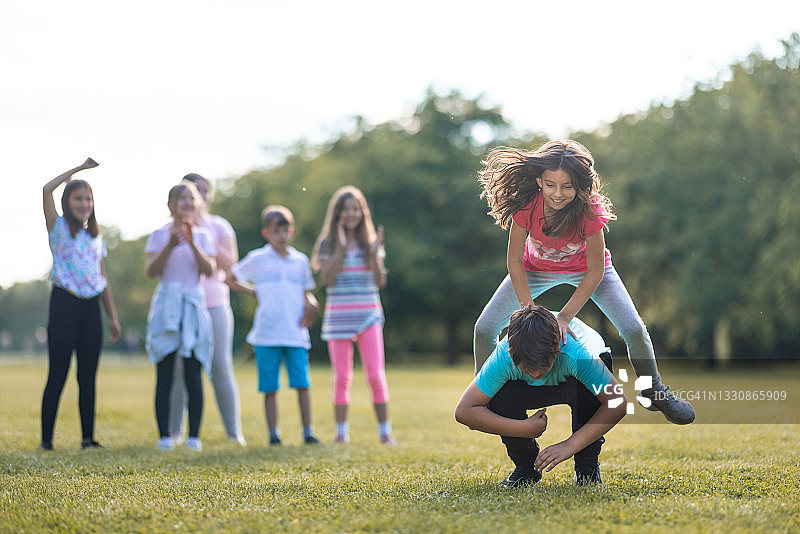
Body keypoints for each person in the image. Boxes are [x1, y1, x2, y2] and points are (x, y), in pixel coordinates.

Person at [474, 140, 694, 425]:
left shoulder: (590, 211)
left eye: (567, 186)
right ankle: (485, 395)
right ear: (540, 180)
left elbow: (595, 271)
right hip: (535, 269)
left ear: (580, 186)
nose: (558, 193)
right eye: (551, 184)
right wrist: (529, 310)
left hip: (588, 270)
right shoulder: (527, 206)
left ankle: (654, 391)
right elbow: (514, 261)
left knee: (634, 328)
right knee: (484, 328)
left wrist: (564, 317)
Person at [456, 305, 627, 487]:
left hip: (576, 378)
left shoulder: (578, 354)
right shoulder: (504, 355)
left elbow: (618, 403)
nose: (536, 375)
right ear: (512, 353)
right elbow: (464, 411)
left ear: (557, 351)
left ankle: (587, 469)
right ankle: (527, 468)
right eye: (527, 369)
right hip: (528, 387)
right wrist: (522, 428)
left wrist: (570, 445)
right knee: (499, 393)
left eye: (543, 368)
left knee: (589, 391)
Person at [40, 158, 121, 451]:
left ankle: (88, 438)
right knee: (58, 373)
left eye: (88, 198)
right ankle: (46, 439)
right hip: (63, 304)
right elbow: (47, 189)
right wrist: (78, 170)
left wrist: (112, 317)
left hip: (91, 311)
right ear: (67, 201)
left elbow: (101, 278)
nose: (84, 203)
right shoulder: (58, 228)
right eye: (78, 198)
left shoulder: (96, 237)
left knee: (87, 376)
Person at [311, 186, 395, 445]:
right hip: (338, 319)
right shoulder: (327, 244)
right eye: (345, 209)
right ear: (337, 213)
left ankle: (384, 432)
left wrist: (374, 256)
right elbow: (327, 279)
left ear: (362, 212)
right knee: (342, 378)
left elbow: (380, 282)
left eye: (355, 209)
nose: (350, 214)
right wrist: (341, 249)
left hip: (368, 316)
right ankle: (341, 433)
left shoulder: (371, 243)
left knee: (375, 375)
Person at [166, 173, 246, 446]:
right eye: (192, 191)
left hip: (215, 304)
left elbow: (229, 264)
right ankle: (174, 432)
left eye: (204, 191)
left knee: (221, 366)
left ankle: (234, 432)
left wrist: (200, 233)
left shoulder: (219, 226)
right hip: (182, 306)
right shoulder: (169, 229)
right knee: (179, 369)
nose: (199, 196)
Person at [231, 205, 319, 445]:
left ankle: (308, 432)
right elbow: (231, 278)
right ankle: (274, 434)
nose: (281, 235)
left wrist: (312, 303)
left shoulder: (300, 261)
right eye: (276, 231)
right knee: (270, 387)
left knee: (302, 384)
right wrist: (253, 291)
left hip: (295, 334)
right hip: (267, 334)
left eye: (285, 230)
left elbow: (306, 292)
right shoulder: (257, 259)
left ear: (293, 231)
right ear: (266, 233)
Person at [145, 182, 216, 452]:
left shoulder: (204, 236)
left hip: (193, 305)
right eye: (182, 199)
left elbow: (209, 270)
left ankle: (194, 436)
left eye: (191, 199)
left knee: (192, 371)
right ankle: (165, 435)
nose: (187, 203)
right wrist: (172, 245)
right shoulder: (159, 235)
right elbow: (152, 271)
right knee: (164, 371)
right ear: (170, 204)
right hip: (168, 304)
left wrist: (192, 243)